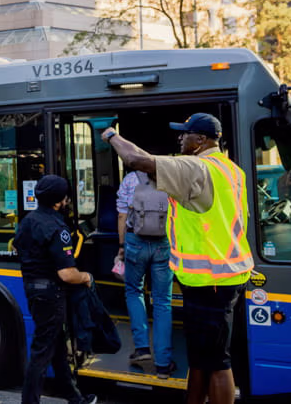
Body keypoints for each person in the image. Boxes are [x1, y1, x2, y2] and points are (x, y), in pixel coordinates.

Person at [102, 113, 254, 404]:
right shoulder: (231, 170)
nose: (180, 138)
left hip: (212, 281)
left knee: (218, 362)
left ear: (201, 141)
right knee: (200, 358)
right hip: (220, 276)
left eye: (185, 134)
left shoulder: (197, 167)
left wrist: (111, 135)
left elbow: (137, 160)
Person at [14, 174, 97, 404]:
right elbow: (67, 274)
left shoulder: (27, 222)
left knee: (57, 345)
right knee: (42, 352)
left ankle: (74, 397)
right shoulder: (57, 227)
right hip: (51, 294)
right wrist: (86, 277)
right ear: (59, 201)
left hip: (33, 290)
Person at [116, 169, 175, 378]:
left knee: (134, 291)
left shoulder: (131, 179)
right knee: (162, 301)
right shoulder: (171, 176)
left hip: (135, 242)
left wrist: (122, 247)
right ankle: (163, 364)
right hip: (163, 244)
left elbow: (123, 215)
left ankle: (142, 349)